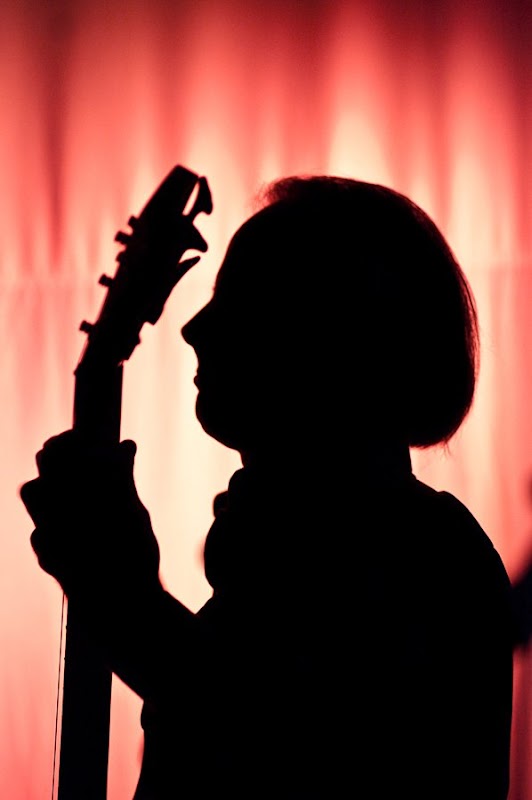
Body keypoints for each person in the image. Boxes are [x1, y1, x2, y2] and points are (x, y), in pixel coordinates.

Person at [20, 176, 514, 798]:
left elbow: (293, 750)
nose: (193, 328)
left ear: (333, 336)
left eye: (241, 301)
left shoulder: (432, 556)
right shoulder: (270, 562)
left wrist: (127, 602)